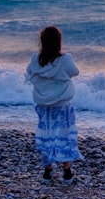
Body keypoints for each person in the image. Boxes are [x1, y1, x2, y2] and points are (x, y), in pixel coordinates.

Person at [25, 26, 83, 180]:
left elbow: (29, 72)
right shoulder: (65, 59)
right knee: (64, 136)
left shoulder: (36, 59)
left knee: (46, 136)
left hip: (43, 104)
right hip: (62, 104)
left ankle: (48, 170)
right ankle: (67, 171)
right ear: (59, 42)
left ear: (42, 42)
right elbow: (75, 72)